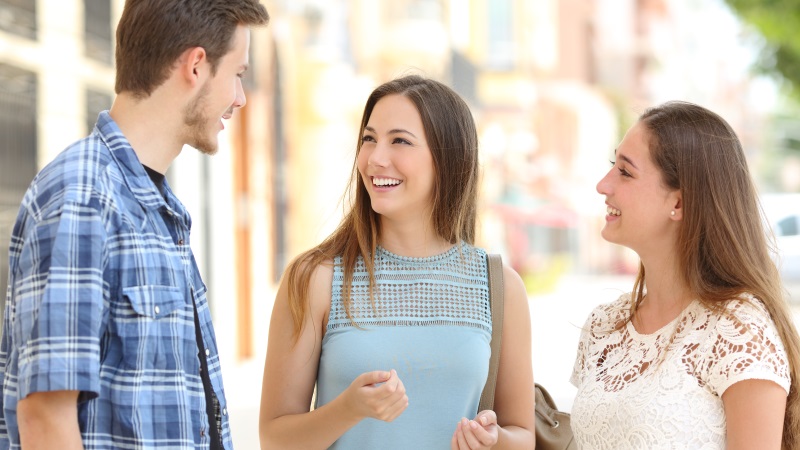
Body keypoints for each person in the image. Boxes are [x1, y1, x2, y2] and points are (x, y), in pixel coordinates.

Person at [0, 1, 269, 449]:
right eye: (237, 74)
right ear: (197, 66)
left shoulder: (159, 209)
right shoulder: (83, 197)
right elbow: (46, 420)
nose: (240, 97)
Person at [258, 75, 535, 449]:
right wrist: (347, 410)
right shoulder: (316, 278)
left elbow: (523, 437)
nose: (375, 158)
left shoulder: (498, 286)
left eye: (399, 141)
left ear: (449, 158)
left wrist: (493, 439)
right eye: (369, 139)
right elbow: (274, 439)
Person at [571, 101, 800, 449]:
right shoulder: (604, 325)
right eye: (611, 166)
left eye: (625, 172)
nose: (603, 185)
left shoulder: (738, 330)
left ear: (678, 203)